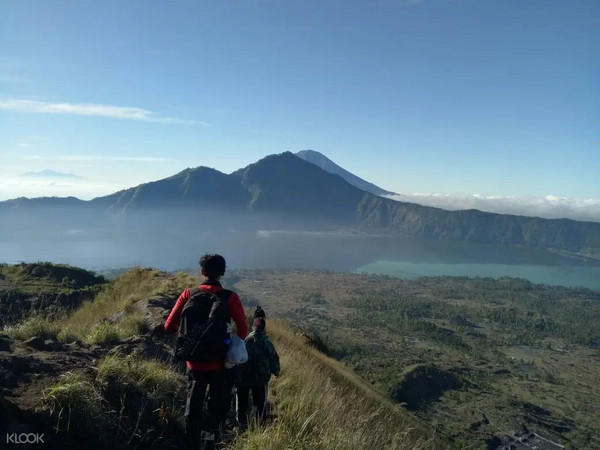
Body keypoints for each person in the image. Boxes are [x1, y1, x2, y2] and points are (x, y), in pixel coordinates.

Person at [164, 254, 247, 450]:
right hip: (219, 363)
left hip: (194, 362)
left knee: (193, 405)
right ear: (223, 273)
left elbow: (169, 326)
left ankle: (191, 442)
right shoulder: (230, 298)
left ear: (203, 272)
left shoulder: (188, 294)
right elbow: (243, 331)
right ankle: (211, 438)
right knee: (217, 404)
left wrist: (191, 338)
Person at [236, 312, 280, 430]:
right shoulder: (267, 343)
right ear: (263, 329)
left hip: (243, 378)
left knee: (242, 402)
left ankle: (241, 424)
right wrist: (276, 372)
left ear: (253, 327)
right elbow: (274, 358)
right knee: (260, 403)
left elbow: (237, 357)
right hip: (260, 379)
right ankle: (259, 426)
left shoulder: (244, 340)